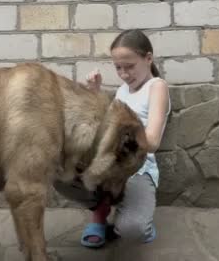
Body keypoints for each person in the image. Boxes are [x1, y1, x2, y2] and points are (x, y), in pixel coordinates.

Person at [54, 29, 171, 248]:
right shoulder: (122, 91)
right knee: (59, 175)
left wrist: (126, 127)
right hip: (108, 164)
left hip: (137, 170)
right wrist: (95, 93)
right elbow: (105, 126)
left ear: (148, 58)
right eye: (118, 68)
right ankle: (101, 210)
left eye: (130, 66)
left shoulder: (157, 87)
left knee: (133, 230)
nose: (125, 74)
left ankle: (130, 219)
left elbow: (152, 142)